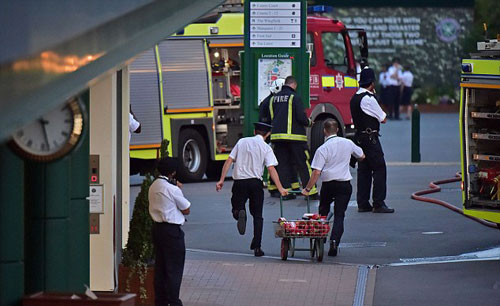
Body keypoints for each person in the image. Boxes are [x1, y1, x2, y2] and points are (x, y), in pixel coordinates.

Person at [216, 122, 288, 256]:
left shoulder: (242, 142)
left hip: (240, 182)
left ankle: (239, 213)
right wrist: (280, 188)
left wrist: (221, 180)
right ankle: (257, 247)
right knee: (258, 215)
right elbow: (271, 168)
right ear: (267, 134)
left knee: (236, 206)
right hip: (256, 183)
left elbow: (229, 161)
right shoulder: (266, 147)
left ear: (254, 131)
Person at [302, 119, 365, 256]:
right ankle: (335, 242)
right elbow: (362, 155)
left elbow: (316, 172)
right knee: (339, 215)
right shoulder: (348, 143)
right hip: (344, 184)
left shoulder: (322, 149)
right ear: (337, 130)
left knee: (323, 211)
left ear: (324, 131)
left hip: (328, 185)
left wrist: (307, 189)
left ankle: (321, 236)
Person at [262, 75, 318, 200]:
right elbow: (300, 117)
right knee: (303, 163)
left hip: (277, 137)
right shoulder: (294, 97)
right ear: (294, 85)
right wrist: (309, 122)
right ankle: (311, 192)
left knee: (282, 164)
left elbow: (271, 118)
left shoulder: (273, 99)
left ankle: (287, 192)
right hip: (296, 138)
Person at [350, 67, 395, 214]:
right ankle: (378, 202)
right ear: (372, 83)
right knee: (379, 168)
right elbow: (383, 118)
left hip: (359, 138)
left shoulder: (354, 98)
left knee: (364, 170)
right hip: (370, 139)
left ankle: (363, 203)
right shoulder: (368, 99)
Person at [148, 157, 190, 306]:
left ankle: (161, 301)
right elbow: (186, 209)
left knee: (161, 267)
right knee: (174, 269)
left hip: (157, 229)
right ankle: (174, 301)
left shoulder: (153, 186)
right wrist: (179, 189)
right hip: (172, 232)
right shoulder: (172, 189)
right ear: (172, 172)